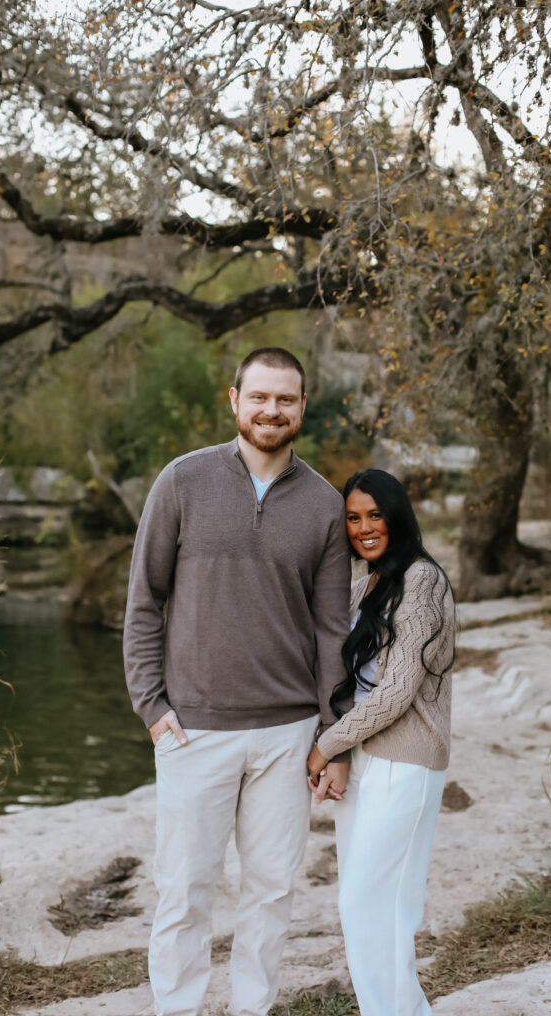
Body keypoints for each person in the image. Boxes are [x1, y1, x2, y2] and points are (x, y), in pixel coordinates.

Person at [123, 346, 351, 1016]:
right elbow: (144, 600)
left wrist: (333, 738)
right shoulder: (182, 481)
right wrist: (151, 706)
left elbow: (331, 630)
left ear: (302, 406)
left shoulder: (325, 504)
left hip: (288, 733)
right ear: (234, 400)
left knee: (271, 891)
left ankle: (253, 1008)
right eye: (259, 397)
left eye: (284, 399)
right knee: (184, 890)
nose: (270, 410)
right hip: (194, 729)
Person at [307, 468, 454, 1016]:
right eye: (353, 518)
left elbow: (396, 692)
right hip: (364, 759)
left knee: (370, 904)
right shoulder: (361, 587)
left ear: (397, 516)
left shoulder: (423, 580)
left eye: (375, 515)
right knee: (372, 907)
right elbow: (346, 683)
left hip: (406, 760)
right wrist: (341, 754)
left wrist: (326, 745)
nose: (364, 527)